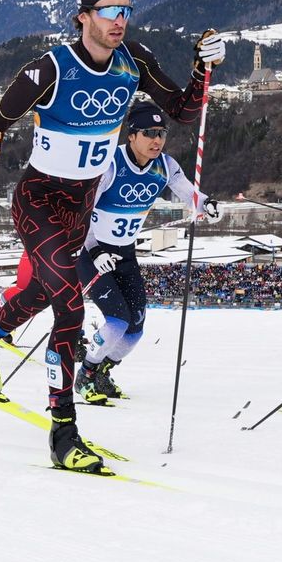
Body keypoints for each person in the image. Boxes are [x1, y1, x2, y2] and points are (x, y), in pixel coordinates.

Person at [0, 0, 217, 472]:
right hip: (39, 199)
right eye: (109, 11)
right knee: (70, 307)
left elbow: (184, 111)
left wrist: (202, 67)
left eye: (126, 11)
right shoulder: (49, 69)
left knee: (43, 292)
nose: (120, 20)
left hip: (80, 205)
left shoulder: (133, 61)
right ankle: (63, 431)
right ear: (83, 18)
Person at [73, 101, 221, 403]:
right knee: (116, 320)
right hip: (92, 253)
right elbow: (81, 213)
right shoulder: (110, 165)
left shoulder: (165, 166)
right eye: (149, 133)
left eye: (162, 133)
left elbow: (189, 193)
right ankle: (85, 374)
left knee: (135, 327)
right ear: (132, 135)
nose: (157, 140)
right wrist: (95, 249)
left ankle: (104, 371)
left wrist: (207, 204)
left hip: (125, 254)